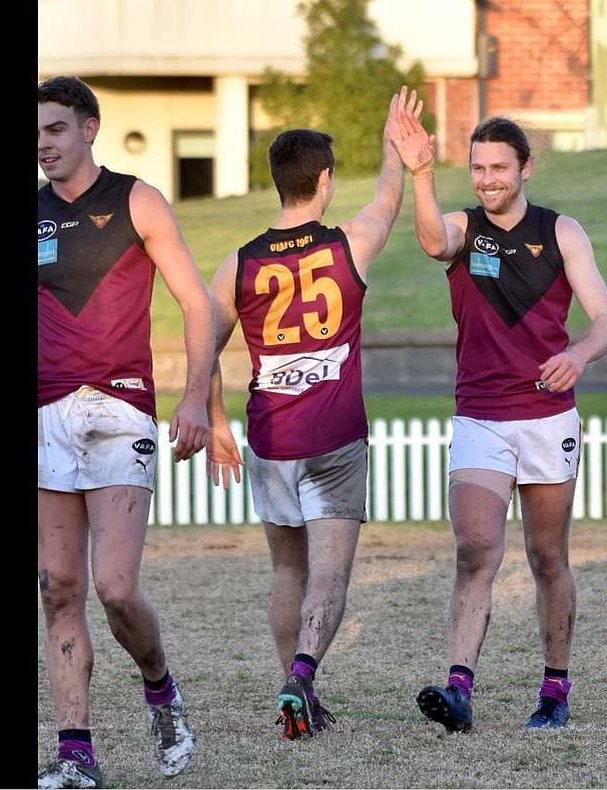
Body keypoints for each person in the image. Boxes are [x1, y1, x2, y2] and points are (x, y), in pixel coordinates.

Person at [387, 99, 607, 732]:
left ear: (526, 169)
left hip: (548, 421)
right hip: (481, 419)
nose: (488, 178)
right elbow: (434, 240)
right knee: (475, 549)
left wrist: (578, 355)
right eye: (478, 167)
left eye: (499, 167)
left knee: (547, 558)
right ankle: (459, 690)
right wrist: (420, 174)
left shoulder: (562, 231)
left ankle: (554, 690)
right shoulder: (464, 227)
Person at [207, 88, 417, 740]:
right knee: (329, 573)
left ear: (277, 181)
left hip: (271, 437)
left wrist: (215, 420)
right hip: (334, 436)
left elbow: (202, 350)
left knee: (286, 570)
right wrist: (393, 146)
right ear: (324, 180)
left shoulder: (236, 263)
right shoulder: (348, 243)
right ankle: (302, 675)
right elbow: (387, 203)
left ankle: (294, 693)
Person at [35, 75, 214, 788]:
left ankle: (160, 689)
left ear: (88, 128)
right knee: (56, 587)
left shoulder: (136, 199)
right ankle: (75, 753)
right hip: (47, 416)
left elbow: (197, 306)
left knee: (113, 587)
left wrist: (196, 398)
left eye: (54, 128)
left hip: (122, 411)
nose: (43, 143)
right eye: (36, 132)